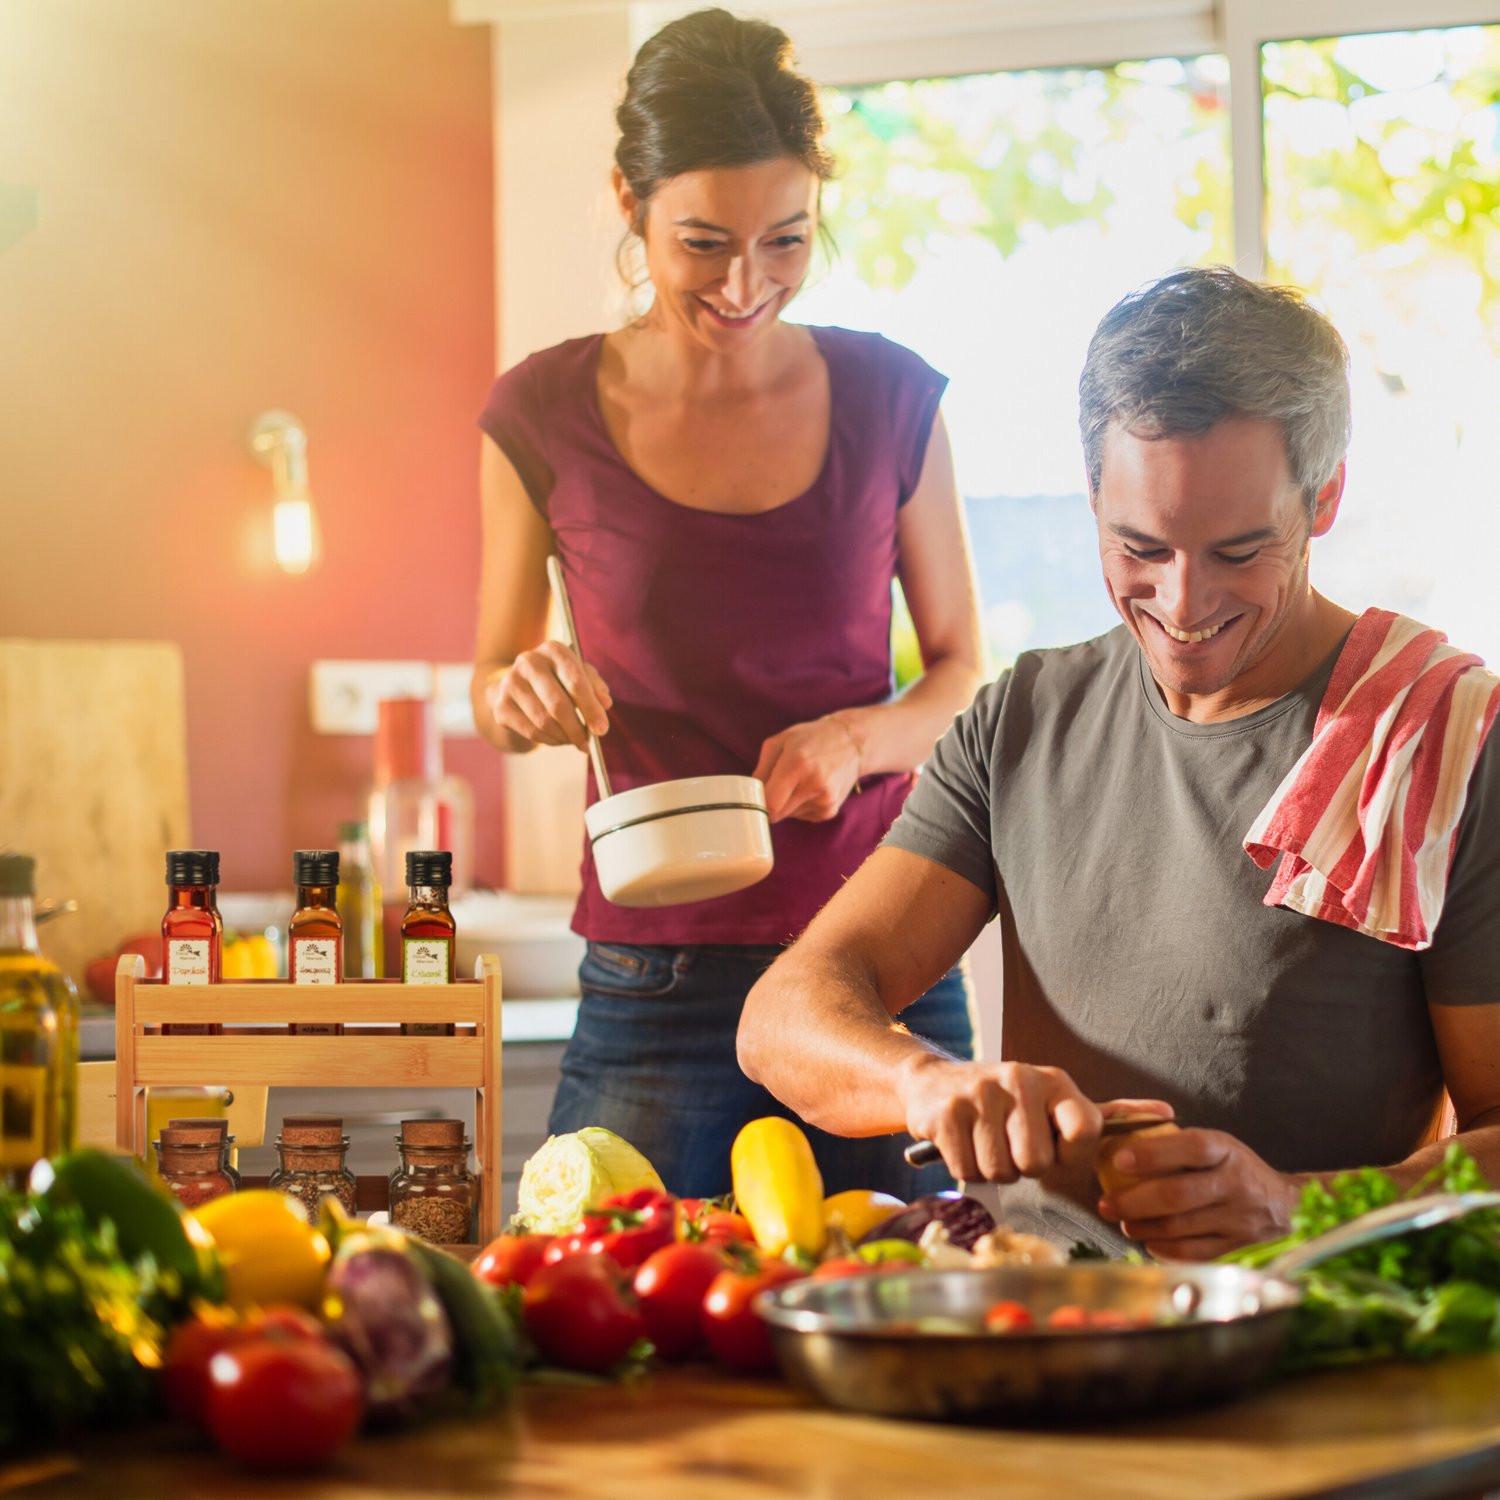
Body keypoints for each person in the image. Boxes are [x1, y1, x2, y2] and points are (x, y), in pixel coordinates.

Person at [738, 266, 1500, 1258]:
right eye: (1140, 545)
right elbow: (782, 1016)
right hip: (1034, 1311)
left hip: (1303, 1338)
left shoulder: (1444, 742)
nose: (1183, 606)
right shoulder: (1021, 719)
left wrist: (1299, 1204)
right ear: (1091, 492)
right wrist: (929, 1085)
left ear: (1325, 496)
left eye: (1238, 552)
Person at [470, 8, 984, 1198]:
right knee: (609, 1332)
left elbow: (961, 672)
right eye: (703, 242)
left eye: (787, 240)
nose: (747, 285)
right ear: (628, 203)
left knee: (924, 1307)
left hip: (878, 956)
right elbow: (493, 687)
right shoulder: (539, 414)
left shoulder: (890, 396)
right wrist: (525, 686)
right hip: (654, 972)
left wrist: (859, 738)